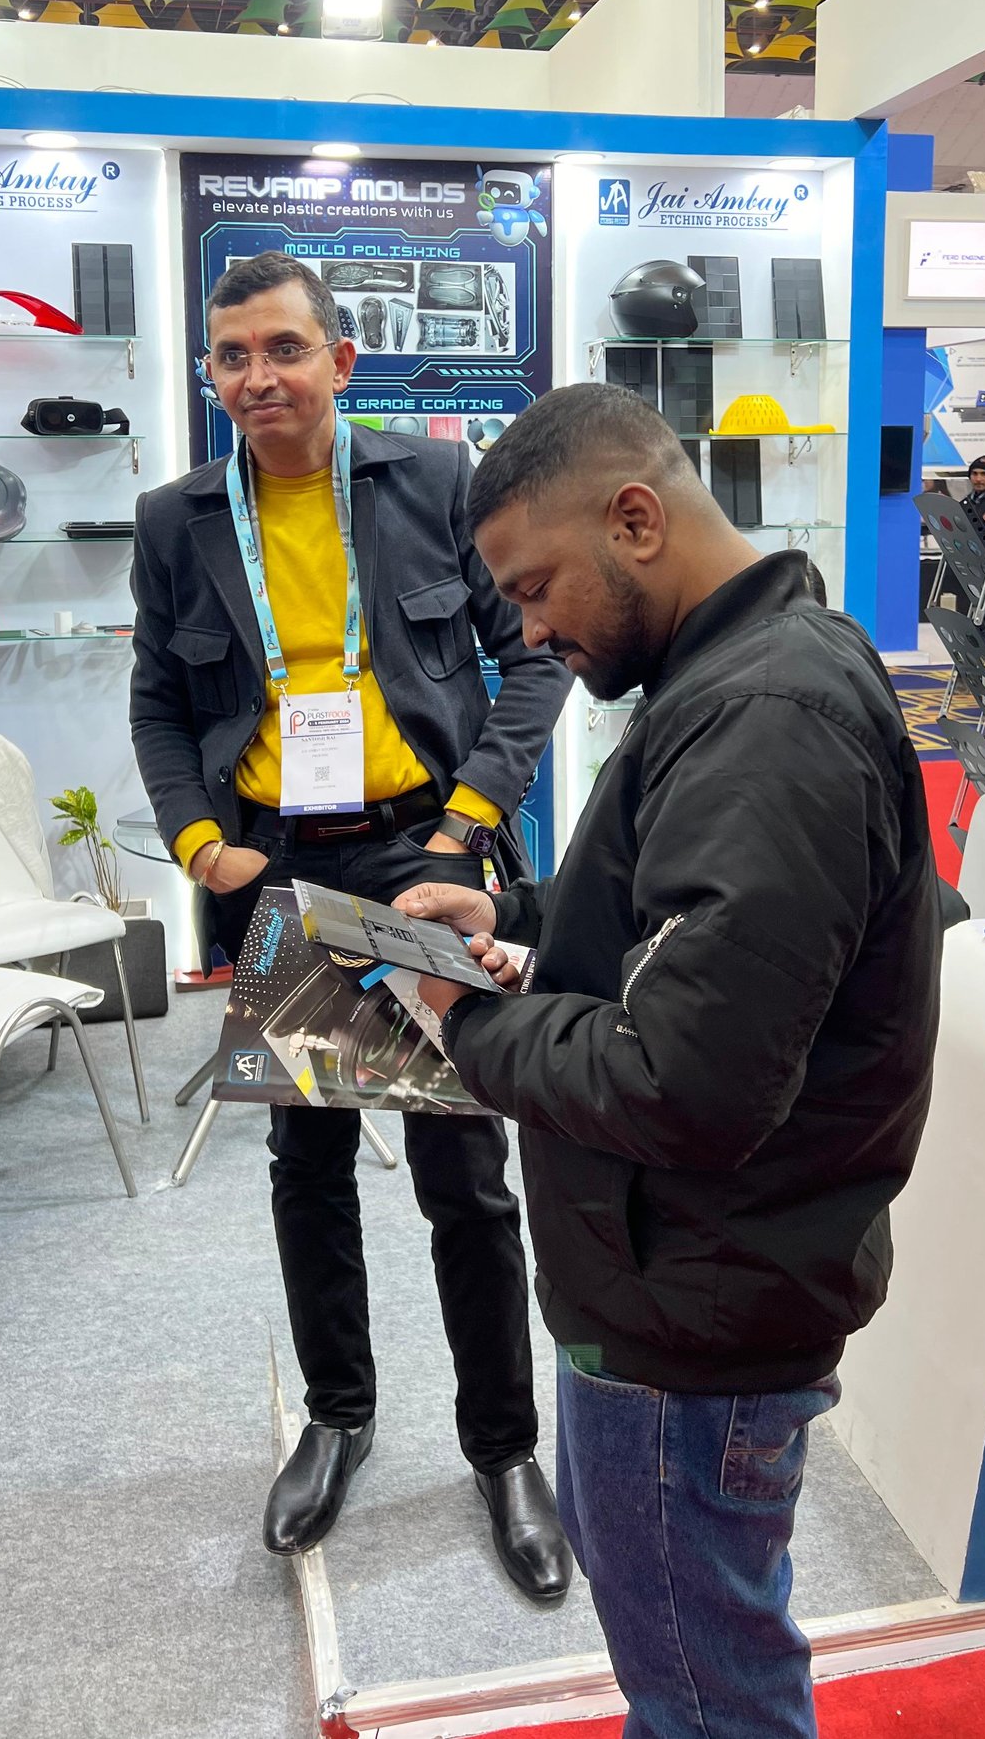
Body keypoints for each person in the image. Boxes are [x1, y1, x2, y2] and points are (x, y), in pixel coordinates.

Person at [397, 384, 941, 1739]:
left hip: (694, 1299)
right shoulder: (737, 677)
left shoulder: (769, 714)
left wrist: (464, 1021)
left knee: (705, 1693)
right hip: (680, 1275)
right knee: (689, 1657)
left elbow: (682, 1079)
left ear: (635, 519)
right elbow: (675, 916)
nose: (529, 631)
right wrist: (513, 918)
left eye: (535, 587)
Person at [129, 252, 574, 1599]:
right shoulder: (176, 521)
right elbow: (158, 701)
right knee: (307, 1161)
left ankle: (504, 1449)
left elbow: (534, 655)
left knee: (463, 1168)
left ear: (341, 361)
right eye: (232, 356)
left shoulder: (433, 483)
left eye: (283, 348)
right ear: (211, 374)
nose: (256, 376)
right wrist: (200, 845)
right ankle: (338, 1417)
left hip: (420, 854)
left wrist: (467, 825)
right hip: (278, 863)